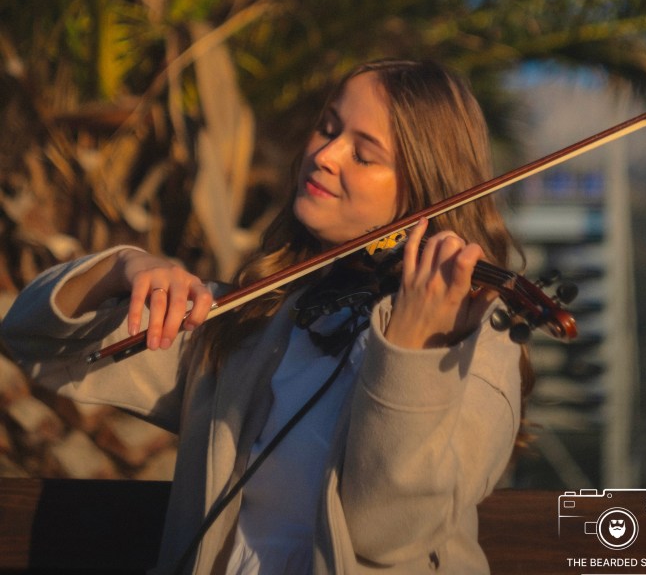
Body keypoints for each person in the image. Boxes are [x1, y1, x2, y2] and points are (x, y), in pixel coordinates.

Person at [2, 59, 528, 575]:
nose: (324, 155)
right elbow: (32, 340)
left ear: (424, 192)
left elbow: (385, 532)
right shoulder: (260, 316)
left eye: (364, 155)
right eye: (328, 128)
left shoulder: (475, 340)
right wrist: (122, 268)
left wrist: (410, 350)